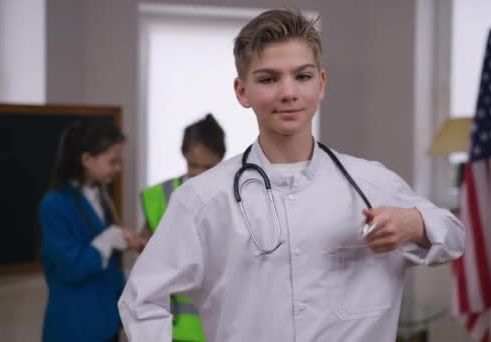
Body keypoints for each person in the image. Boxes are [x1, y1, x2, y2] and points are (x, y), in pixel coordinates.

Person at [119, 9, 465, 341]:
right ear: (243, 92)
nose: (288, 92)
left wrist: (415, 224)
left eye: (302, 76)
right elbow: (142, 298)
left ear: (321, 83)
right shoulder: (202, 200)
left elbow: (454, 238)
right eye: (268, 79)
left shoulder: (372, 184)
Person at [39, 119, 143, 342]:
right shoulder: (54, 205)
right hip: (75, 326)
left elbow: (110, 266)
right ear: (86, 159)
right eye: (113, 161)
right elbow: (72, 268)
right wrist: (107, 240)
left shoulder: (101, 198)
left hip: (105, 321)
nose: (119, 168)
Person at [140, 113, 226, 342]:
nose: (198, 173)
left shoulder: (233, 197)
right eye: (192, 165)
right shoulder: (160, 196)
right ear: (184, 155)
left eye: (207, 166)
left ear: (221, 160)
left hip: (220, 325)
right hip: (173, 327)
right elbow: (145, 253)